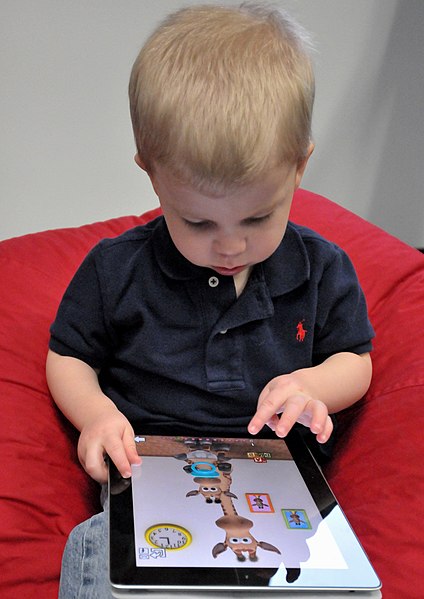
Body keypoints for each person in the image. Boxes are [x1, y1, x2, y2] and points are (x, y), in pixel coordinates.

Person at [46, 3, 374, 597]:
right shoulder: (115, 268)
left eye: (256, 216)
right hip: (148, 475)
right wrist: (97, 416)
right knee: (96, 550)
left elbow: (356, 359)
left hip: (279, 488)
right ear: (151, 175)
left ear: (300, 166)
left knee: (329, 575)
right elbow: (68, 356)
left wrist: (314, 387)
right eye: (196, 221)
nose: (230, 245)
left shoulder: (322, 268)